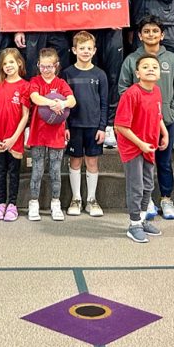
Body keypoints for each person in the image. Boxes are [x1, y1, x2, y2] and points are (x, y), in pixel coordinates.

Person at [118, 15, 174, 221]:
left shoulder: (172, 59)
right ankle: (144, 203)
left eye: (155, 31)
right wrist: (135, 113)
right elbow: (123, 89)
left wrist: (172, 110)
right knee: (140, 166)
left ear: (162, 34)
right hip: (138, 126)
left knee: (164, 163)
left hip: (164, 121)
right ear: (139, 35)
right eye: (146, 31)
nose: (151, 34)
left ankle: (166, 198)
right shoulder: (131, 60)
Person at [74, 0, 129, 148]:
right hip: (89, 29)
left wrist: (122, 17)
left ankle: (109, 126)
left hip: (115, 28)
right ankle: (92, 124)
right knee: (89, 74)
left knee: (114, 77)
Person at [114, 55, 169, 244]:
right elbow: (120, 126)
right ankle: (134, 224)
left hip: (149, 145)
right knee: (136, 186)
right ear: (138, 73)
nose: (151, 69)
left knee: (148, 185)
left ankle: (143, 218)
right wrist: (140, 144)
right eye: (145, 67)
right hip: (133, 147)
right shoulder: (131, 94)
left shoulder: (157, 92)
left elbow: (158, 115)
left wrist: (165, 133)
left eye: (155, 66)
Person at [27, 48, 77, 222]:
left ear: (56, 66)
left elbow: (72, 100)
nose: (46, 69)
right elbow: (35, 98)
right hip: (38, 133)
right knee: (37, 170)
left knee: (55, 171)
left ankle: (55, 203)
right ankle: (34, 203)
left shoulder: (61, 83)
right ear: (38, 65)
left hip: (56, 133)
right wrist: (53, 103)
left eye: (49, 66)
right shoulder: (34, 81)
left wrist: (62, 103)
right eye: (43, 66)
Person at [62, 31, 108, 217]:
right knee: (75, 161)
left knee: (92, 161)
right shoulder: (67, 73)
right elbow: (63, 103)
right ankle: (76, 198)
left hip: (93, 126)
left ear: (95, 50)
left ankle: (91, 199)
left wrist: (102, 127)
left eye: (89, 48)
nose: (86, 51)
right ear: (74, 50)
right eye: (82, 48)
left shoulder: (100, 74)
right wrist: (64, 126)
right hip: (74, 126)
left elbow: (104, 102)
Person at [0, 48, 30, 222]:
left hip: (14, 137)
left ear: (19, 63)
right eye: (4, 63)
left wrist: (14, 138)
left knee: (13, 172)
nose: (8, 66)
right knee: (0, 172)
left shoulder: (25, 86)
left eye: (11, 62)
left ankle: (12, 204)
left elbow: (25, 115)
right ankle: (1, 203)